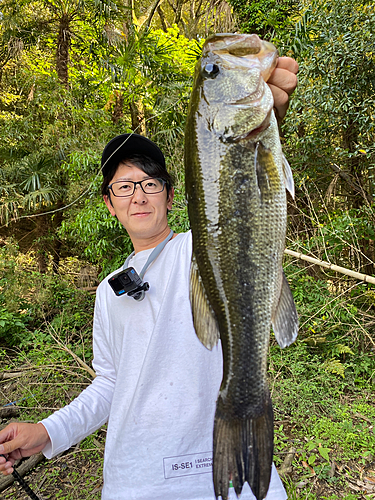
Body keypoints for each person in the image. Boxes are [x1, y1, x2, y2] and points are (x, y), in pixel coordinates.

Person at [0, 57, 298, 499]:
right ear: (109, 203)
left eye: (150, 183)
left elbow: (239, 201)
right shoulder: (108, 290)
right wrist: (48, 432)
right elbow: (109, 383)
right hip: (135, 479)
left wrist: (258, 121)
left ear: (171, 196)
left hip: (227, 474)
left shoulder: (206, 246)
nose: (138, 195)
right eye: (124, 186)